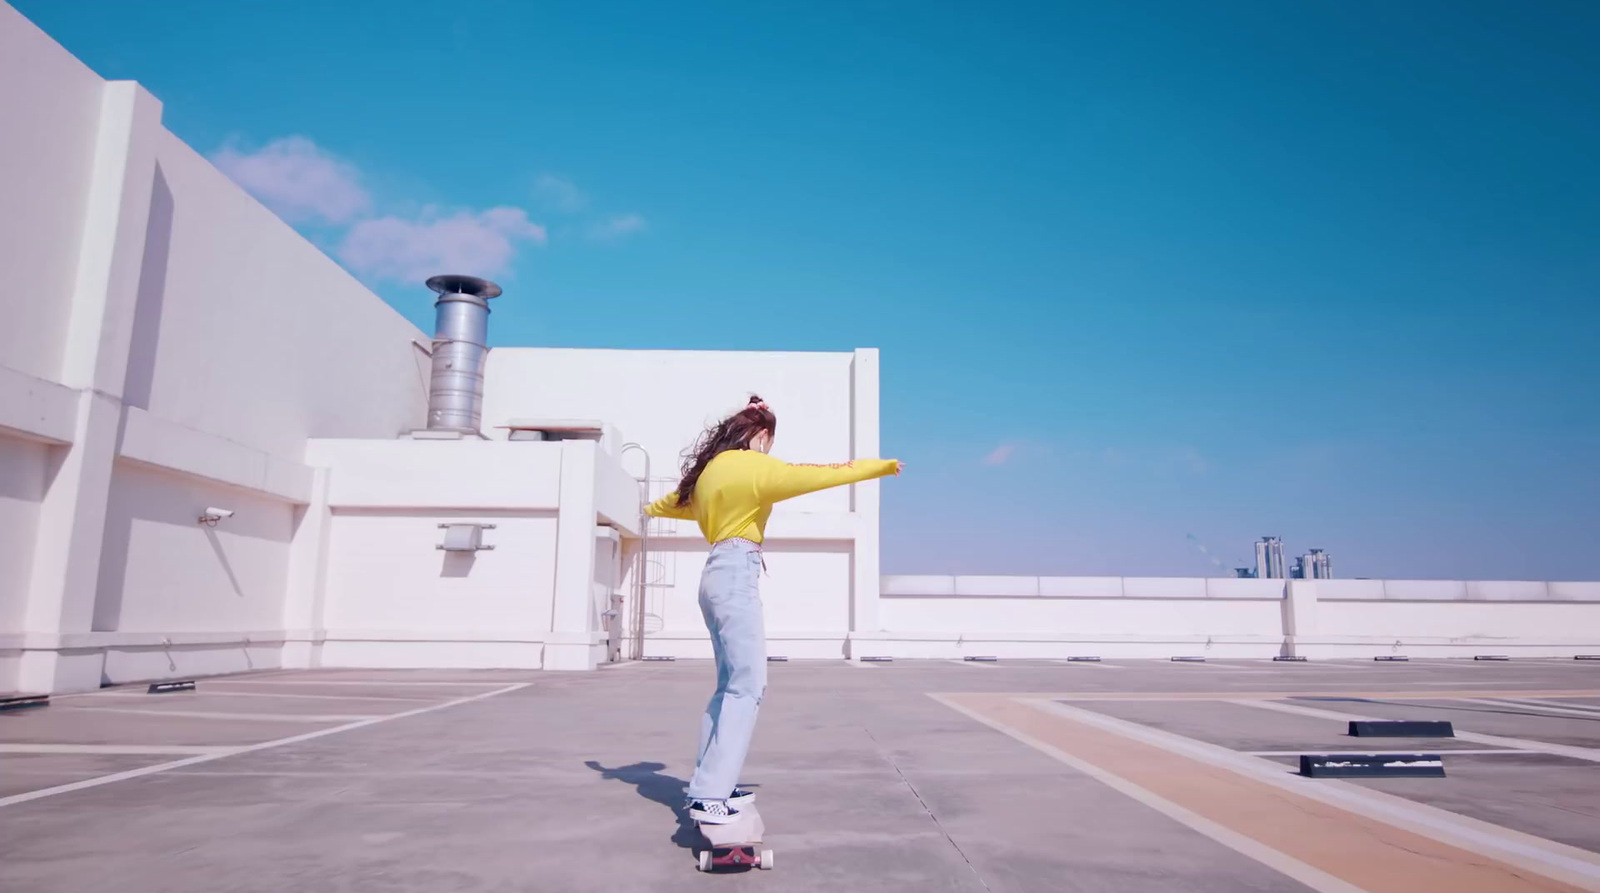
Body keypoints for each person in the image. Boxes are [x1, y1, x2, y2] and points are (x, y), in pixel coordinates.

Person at [645, 395, 902, 824]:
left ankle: (708, 782)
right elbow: (825, 475)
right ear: (761, 436)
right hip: (735, 573)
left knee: (729, 685)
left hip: (714, 575)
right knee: (748, 686)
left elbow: (671, 504)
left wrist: (647, 508)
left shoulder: (708, 473)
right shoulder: (756, 466)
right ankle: (711, 792)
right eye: (771, 440)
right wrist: (883, 465)